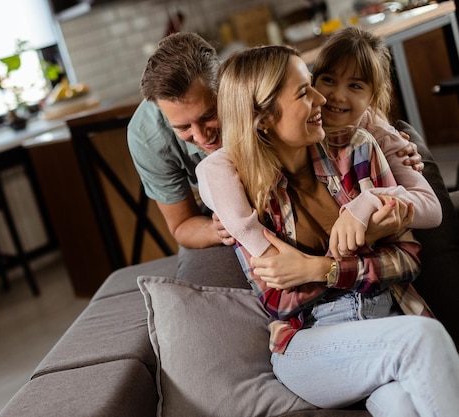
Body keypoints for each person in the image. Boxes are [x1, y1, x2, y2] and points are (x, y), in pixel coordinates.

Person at [200, 44, 459, 416]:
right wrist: (362, 258)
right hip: (309, 345)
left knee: (402, 405)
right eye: (304, 92)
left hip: (387, 319)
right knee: (423, 337)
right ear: (263, 118)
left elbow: (407, 258)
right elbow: (280, 299)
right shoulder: (241, 191)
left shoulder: (356, 149)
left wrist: (319, 269)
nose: (321, 98)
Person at [127, 32, 423, 250]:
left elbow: (321, 106)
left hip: (285, 192)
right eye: (183, 128)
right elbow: (181, 226)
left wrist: (388, 139)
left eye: (209, 116)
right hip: (218, 218)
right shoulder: (147, 137)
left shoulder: (253, 85)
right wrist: (218, 230)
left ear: (231, 92)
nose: (203, 136)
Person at [197, 26, 441, 260]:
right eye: (328, 80)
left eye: (355, 86)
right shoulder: (299, 123)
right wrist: (241, 224)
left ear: (372, 98)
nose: (334, 96)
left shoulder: (375, 134)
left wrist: (369, 202)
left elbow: (431, 209)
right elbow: (214, 167)